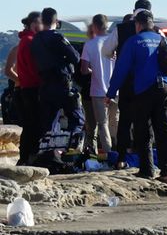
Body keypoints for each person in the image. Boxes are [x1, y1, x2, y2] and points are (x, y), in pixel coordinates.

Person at [106, 10, 167, 184]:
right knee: (166, 132)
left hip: (144, 91)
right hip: (165, 90)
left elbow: (121, 70)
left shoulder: (134, 41)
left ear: (138, 25)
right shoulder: (164, 40)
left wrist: (110, 93)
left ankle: (147, 170)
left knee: (143, 131)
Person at [103, 0, 152, 169]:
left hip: (127, 82)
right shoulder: (157, 32)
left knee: (125, 121)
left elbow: (106, 51)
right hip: (149, 84)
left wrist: (114, 56)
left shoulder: (121, 29)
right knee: (146, 122)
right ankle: (146, 158)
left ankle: (121, 159)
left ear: (133, 11)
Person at [31, 8, 84, 138]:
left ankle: (48, 151)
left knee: (49, 124)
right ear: (56, 21)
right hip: (62, 85)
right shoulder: (57, 37)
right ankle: (72, 149)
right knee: (77, 120)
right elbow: (75, 57)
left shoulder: (36, 40)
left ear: (42, 21)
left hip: (45, 86)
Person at [81, 14, 118, 154]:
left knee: (103, 124)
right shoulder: (114, 42)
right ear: (106, 25)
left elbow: (83, 70)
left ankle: (109, 153)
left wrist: (94, 70)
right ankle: (119, 151)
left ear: (94, 26)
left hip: (98, 90)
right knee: (115, 122)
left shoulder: (89, 44)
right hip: (116, 89)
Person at [16, 11, 43, 165]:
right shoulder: (30, 41)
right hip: (32, 88)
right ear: (33, 23)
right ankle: (28, 157)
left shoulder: (24, 40)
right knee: (33, 125)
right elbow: (33, 67)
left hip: (26, 88)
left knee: (30, 125)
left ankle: (26, 157)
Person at [78, 25, 98, 154]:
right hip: (97, 91)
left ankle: (92, 149)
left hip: (90, 91)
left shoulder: (86, 48)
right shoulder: (107, 48)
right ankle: (92, 150)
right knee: (95, 125)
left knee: (93, 124)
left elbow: (82, 71)